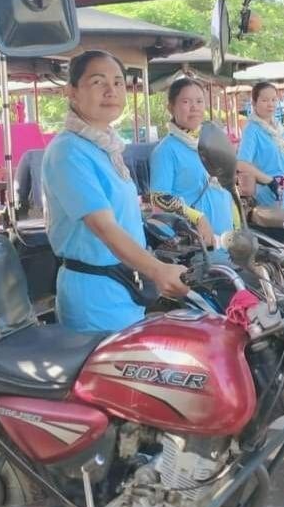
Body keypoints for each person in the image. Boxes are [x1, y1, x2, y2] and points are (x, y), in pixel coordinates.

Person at [42, 50, 187, 333]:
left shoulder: (106, 146)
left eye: (118, 82)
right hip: (95, 293)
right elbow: (104, 226)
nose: (111, 91)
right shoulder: (69, 150)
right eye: (98, 82)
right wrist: (157, 270)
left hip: (123, 284)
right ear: (72, 92)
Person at [150, 77, 236, 241]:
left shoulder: (212, 142)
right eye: (186, 101)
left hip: (226, 235)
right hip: (194, 240)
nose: (194, 107)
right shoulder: (165, 150)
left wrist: (238, 223)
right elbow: (159, 198)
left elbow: (227, 186)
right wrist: (197, 217)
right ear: (171, 107)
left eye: (199, 101)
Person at [238, 81, 284, 208]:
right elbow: (241, 164)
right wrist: (269, 181)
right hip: (270, 196)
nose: (270, 104)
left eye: (274, 99)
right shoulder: (252, 129)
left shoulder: (277, 126)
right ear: (254, 103)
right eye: (265, 100)